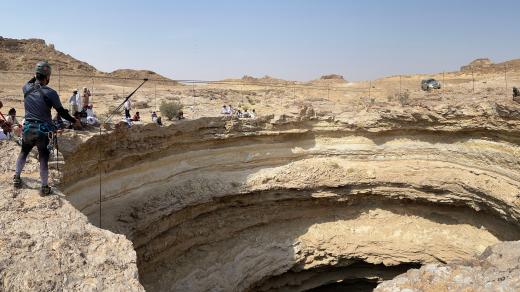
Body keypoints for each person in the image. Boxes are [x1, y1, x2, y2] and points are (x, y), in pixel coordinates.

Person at [13, 61, 81, 195]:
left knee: (23, 153)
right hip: (43, 131)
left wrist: (35, 76)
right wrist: (74, 121)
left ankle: (16, 177)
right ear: (47, 76)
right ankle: (44, 187)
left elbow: (31, 81)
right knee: (43, 158)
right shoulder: (51, 93)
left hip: (27, 129)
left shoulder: (26, 88)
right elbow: (61, 112)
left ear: (36, 75)